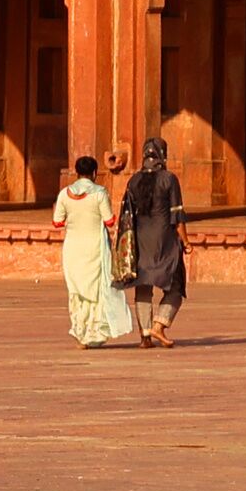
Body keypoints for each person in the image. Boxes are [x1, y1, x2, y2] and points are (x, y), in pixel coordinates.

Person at [116, 137, 188, 348]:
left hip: (140, 239)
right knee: (175, 286)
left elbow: (127, 213)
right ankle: (159, 325)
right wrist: (186, 241)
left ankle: (145, 336)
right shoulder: (169, 179)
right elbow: (177, 215)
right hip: (165, 240)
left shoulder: (134, 181)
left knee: (143, 285)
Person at [54, 154, 128, 348]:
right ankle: (93, 333)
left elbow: (57, 222)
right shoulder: (100, 193)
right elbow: (109, 221)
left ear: (77, 172)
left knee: (77, 290)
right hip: (95, 246)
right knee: (96, 290)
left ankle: (80, 331)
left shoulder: (64, 194)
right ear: (95, 173)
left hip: (73, 247)